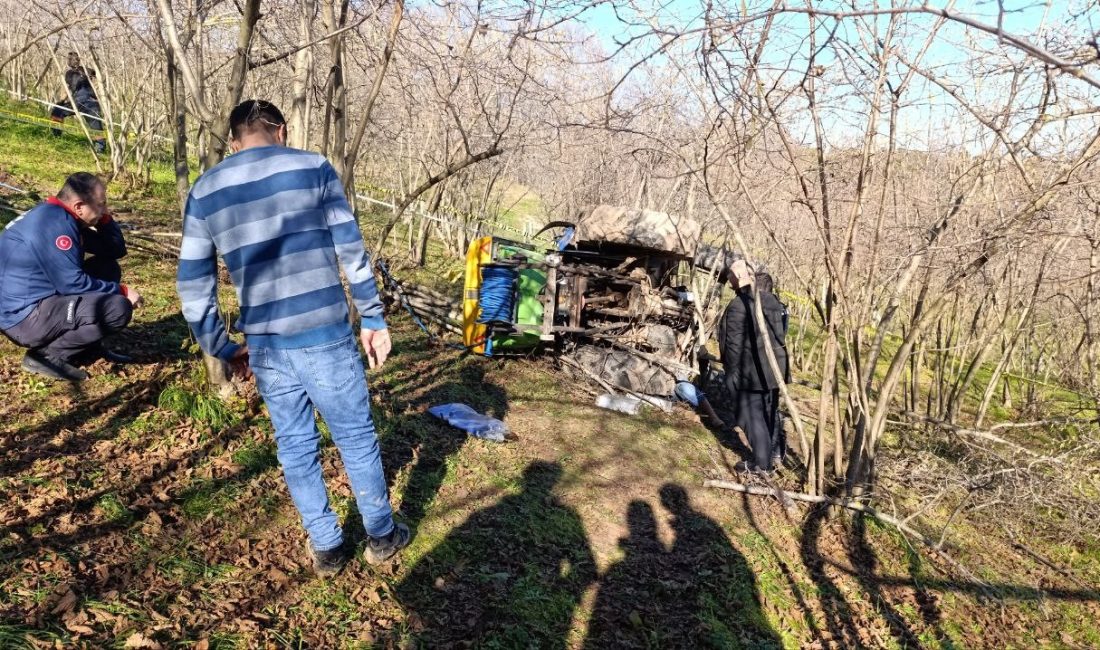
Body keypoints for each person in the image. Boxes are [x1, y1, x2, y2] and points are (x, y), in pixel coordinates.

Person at [176, 99, 409, 577]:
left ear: (235, 141)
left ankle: (327, 547)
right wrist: (372, 317)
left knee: (296, 444)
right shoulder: (313, 168)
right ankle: (381, 536)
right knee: (355, 436)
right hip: (323, 332)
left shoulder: (206, 189)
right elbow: (351, 248)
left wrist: (220, 346)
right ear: (280, 131)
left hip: (265, 343)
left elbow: (193, 287)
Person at [0, 173, 140, 382]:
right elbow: (72, 283)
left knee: (107, 267)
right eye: (101, 205)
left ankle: (87, 347)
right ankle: (46, 356)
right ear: (78, 206)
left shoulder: (60, 216)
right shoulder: (54, 224)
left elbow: (115, 249)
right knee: (117, 308)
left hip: (35, 302)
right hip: (22, 317)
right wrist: (123, 291)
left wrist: (105, 219)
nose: (104, 210)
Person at [717, 260, 789, 473]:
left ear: (738, 277)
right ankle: (771, 456)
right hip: (772, 371)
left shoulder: (739, 305)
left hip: (750, 373)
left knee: (751, 416)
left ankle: (761, 464)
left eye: (730, 275)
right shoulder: (773, 302)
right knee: (767, 412)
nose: (728, 279)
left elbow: (733, 346)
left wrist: (733, 376)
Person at [50, 52, 106, 153]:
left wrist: (61, 102)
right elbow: (100, 78)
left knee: (58, 111)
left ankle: (100, 150)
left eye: (71, 59)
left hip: (85, 101)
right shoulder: (81, 71)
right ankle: (100, 150)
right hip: (85, 101)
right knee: (96, 126)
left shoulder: (76, 72)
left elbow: (67, 90)